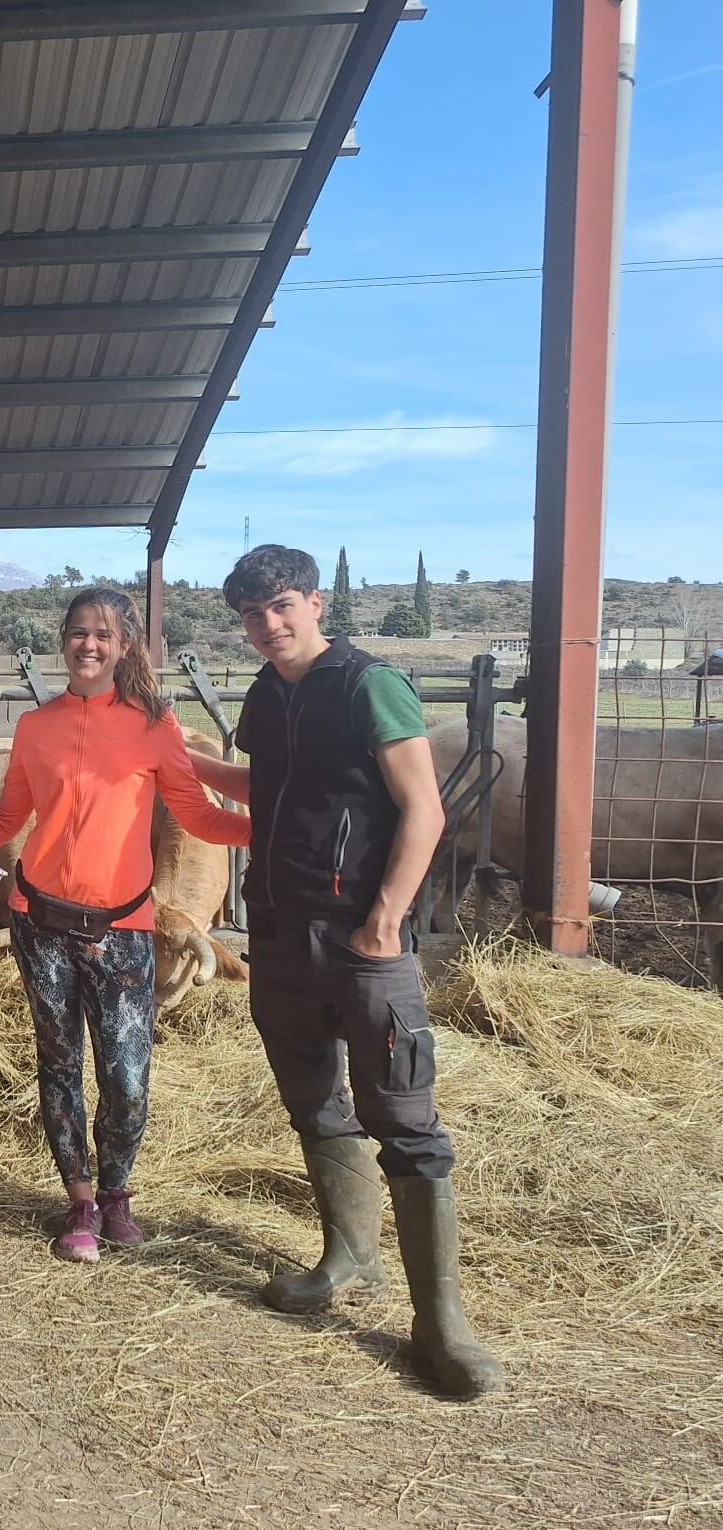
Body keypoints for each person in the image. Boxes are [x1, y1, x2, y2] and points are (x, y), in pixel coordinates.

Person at [190, 544, 503, 1398]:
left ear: (316, 602)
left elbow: (423, 809)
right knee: (314, 1104)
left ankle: (441, 1325)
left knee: (405, 1119)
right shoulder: (265, 693)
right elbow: (264, 788)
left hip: (363, 941)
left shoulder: (370, 683)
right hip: (282, 936)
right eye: (253, 615)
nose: (269, 625)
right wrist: (163, 762)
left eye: (283, 606)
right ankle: (348, 1256)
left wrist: (386, 920)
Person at [0, 588, 250, 1263]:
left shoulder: (154, 726)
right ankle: (79, 1201)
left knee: (127, 1076)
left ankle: (116, 1191)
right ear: (63, 639)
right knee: (59, 1066)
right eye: (78, 632)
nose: (89, 645)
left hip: (124, 928)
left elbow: (197, 815)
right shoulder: (35, 727)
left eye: (103, 635)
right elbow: (5, 819)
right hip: (38, 924)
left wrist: (271, 827)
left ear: (124, 646)